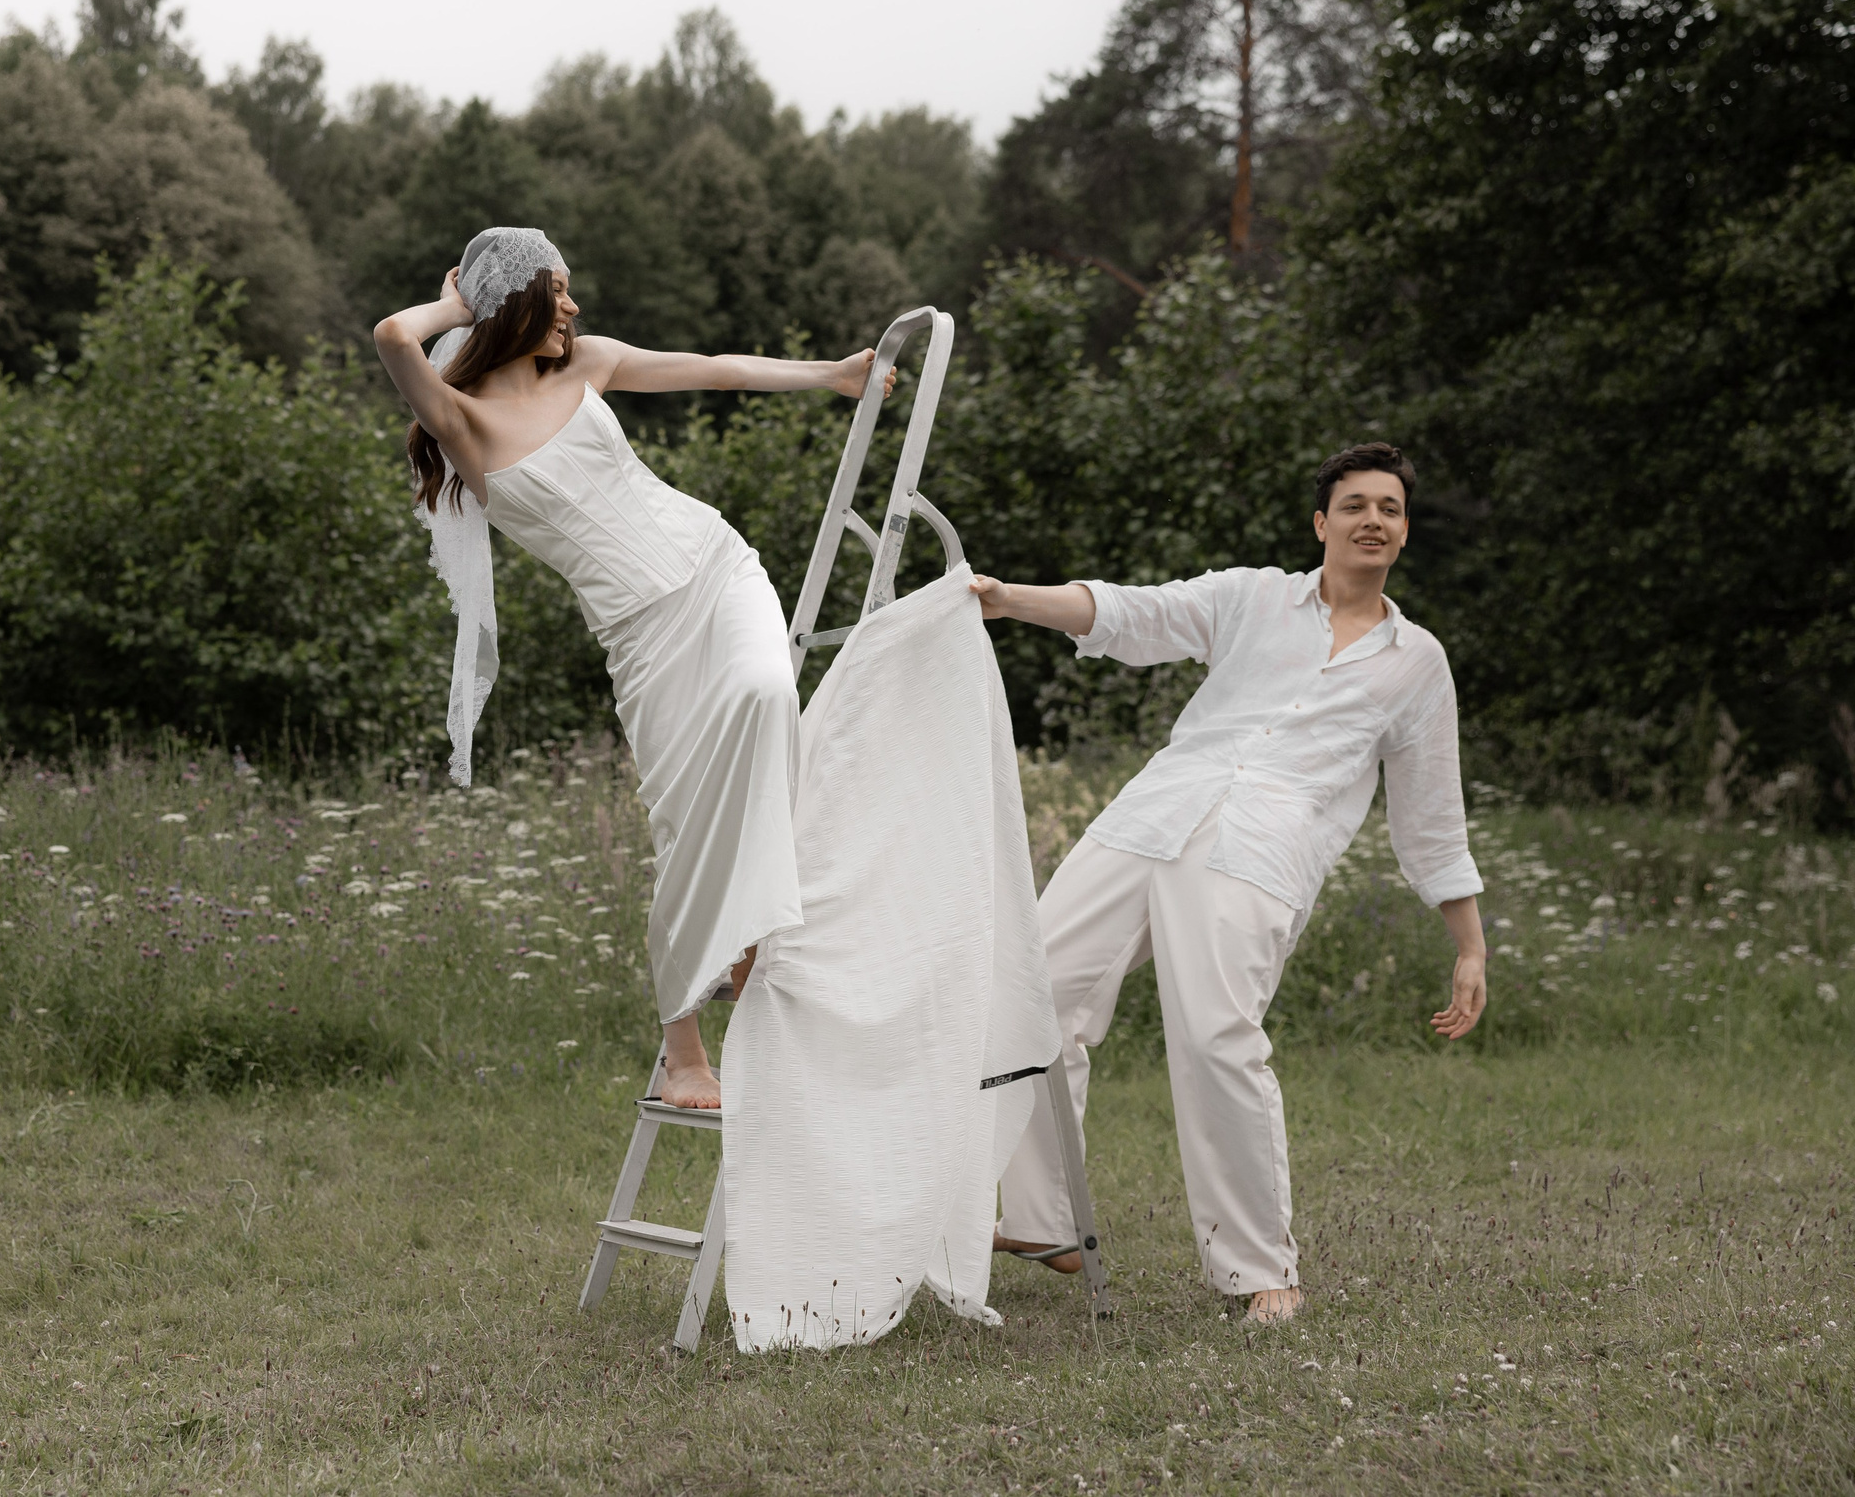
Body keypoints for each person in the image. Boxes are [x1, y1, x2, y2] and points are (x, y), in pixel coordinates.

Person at [373, 227, 888, 1109]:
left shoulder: (590, 364)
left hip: (717, 570)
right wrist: (462, 301)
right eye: (558, 290)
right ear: (514, 301)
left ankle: (752, 932)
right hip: (639, 634)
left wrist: (833, 376)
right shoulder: (463, 422)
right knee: (679, 823)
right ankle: (683, 1054)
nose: (574, 307)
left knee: (768, 696)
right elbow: (392, 335)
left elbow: (715, 364)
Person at [972, 443, 1487, 1324]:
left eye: (1391, 509)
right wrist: (1003, 599)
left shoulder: (1417, 662)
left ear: (1402, 531)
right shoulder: (1252, 597)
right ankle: (1044, 1218)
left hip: (1259, 849)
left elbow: (1431, 815)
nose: (1373, 520)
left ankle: (1260, 1272)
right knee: (1026, 990)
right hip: (1152, 817)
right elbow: (1131, 615)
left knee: (1215, 1036)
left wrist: (1469, 943)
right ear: (1321, 523)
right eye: (1356, 504)